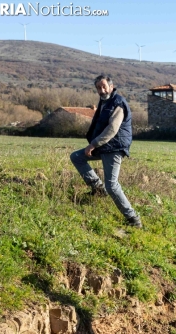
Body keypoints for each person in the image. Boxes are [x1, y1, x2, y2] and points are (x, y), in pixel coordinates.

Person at [70, 75, 141, 227]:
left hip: (114, 147)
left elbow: (112, 129)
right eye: (98, 88)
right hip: (105, 146)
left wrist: (93, 144)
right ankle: (98, 188)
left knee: (112, 185)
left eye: (104, 86)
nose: (101, 90)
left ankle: (133, 218)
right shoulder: (104, 102)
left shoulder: (117, 102)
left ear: (111, 86)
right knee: (77, 157)